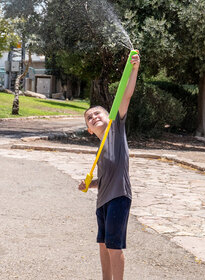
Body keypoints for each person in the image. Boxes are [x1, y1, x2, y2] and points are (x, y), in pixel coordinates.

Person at [78, 51, 140, 280]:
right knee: (103, 245)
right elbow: (105, 177)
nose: (94, 117)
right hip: (102, 200)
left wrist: (133, 69)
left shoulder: (116, 129)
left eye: (98, 113)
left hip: (119, 197)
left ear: (109, 117)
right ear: (89, 130)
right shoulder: (100, 150)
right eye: (89, 118)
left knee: (114, 246)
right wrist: (89, 184)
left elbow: (125, 96)